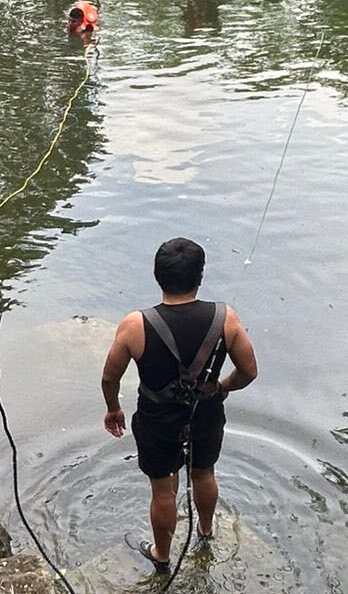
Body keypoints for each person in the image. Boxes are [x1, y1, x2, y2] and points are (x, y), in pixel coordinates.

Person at [99, 237, 258, 568]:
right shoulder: (225, 318)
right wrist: (223, 388)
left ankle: (162, 554)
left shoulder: (135, 325)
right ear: (200, 276)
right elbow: (249, 371)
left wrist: (113, 407)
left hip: (157, 418)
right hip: (206, 412)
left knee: (162, 490)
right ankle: (206, 529)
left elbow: (109, 378)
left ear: (157, 275)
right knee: (204, 473)